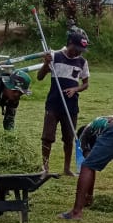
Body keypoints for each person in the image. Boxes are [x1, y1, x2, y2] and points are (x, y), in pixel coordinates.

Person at [60, 115, 113, 220]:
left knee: (86, 166)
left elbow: (89, 165)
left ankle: (76, 212)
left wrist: (89, 197)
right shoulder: (104, 130)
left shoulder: (85, 134)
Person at [37, 27, 90, 175]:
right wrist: (45, 64)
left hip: (71, 106)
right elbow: (40, 77)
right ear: (69, 43)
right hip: (53, 104)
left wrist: (75, 90)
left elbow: (86, 84)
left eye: (81, 50)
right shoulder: (54, 56)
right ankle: (45, 167)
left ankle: (66, 168)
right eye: (76, 48)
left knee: (69, 138)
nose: (78, 52)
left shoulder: (82, 62)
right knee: (47, 137)